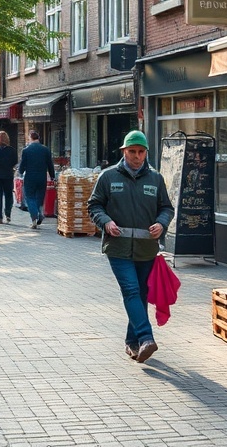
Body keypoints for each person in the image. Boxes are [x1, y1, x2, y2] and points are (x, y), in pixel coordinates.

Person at [87, 130, 174, 363]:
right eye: (132, 151)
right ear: (124, 152)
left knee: (141, 294)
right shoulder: (108, 177)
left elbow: (166, 207)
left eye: (141, 152)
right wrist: (105, 222)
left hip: (146, 249)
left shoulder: (156, 179)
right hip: (118, 248)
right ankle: (146, 338)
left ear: (146, 153)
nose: (136, 156)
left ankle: (131, 342)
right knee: (131, 291)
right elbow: (94, 206)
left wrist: (161, 223)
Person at [18, 130, 56, 228]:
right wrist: (52, 176)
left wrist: (20, 172)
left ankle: (34, 217)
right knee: (39, 197)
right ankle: (40, 212)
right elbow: (50, 165)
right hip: (42, 177)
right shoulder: (45, 150)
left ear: (30, 138)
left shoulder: (26, 150)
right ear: (38, 138)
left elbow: (22, 165)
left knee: (30, 197)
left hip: (30, 177)